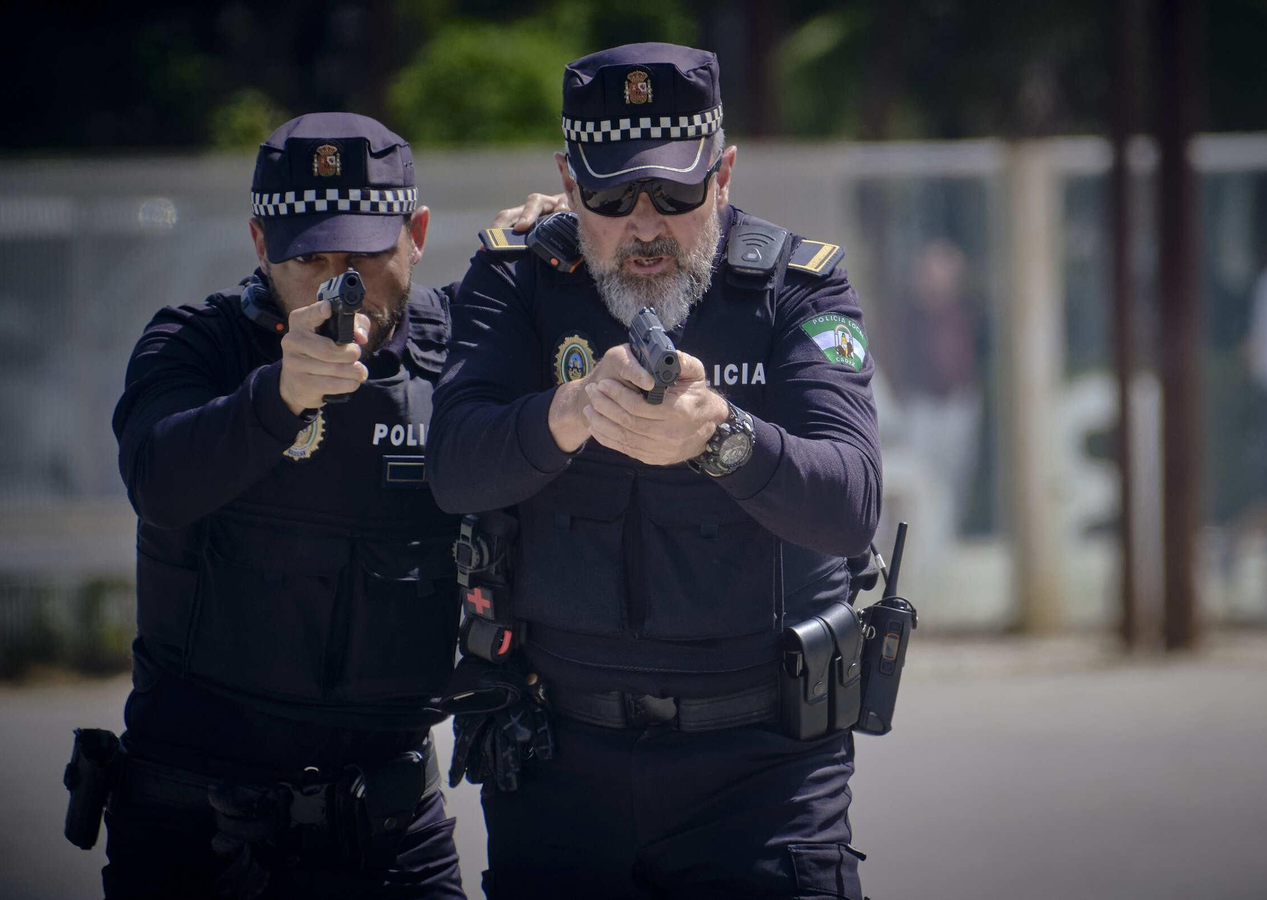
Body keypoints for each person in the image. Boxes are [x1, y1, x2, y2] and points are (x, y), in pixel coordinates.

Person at [426, 43, 883, 899]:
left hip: (761, 770)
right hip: (559, 762)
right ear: (567, 183)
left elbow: (851, 499)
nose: (645, 227)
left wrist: (722, 439)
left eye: (676, 193)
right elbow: (453, 467)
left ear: (725, 173)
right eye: (609, 195)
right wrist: (568, 414)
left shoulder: (798, 289)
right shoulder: (517, 276)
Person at [95, 113, 475, 899]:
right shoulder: (195, 345)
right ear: (261, 245)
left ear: (418, 233)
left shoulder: (464, 352)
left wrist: (552, 245)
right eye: (309, 256)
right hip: (197, 823)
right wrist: (276, 397)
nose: (338, 281)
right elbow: (159, 482)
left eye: (363, 254)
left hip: (390, 826)